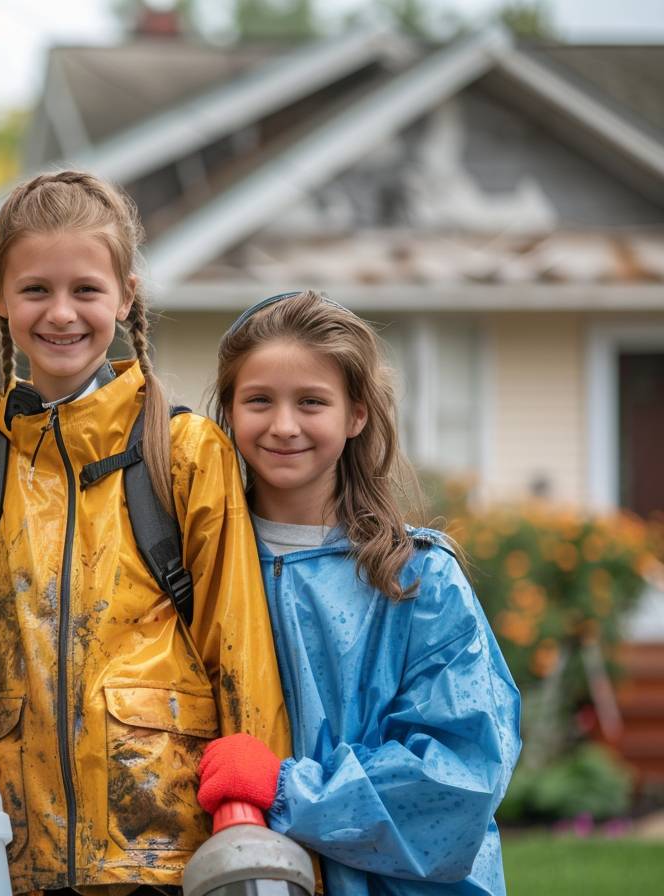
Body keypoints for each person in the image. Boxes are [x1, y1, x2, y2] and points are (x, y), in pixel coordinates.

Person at [0, 171, 290, 895]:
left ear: (125, 296)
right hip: (12, 853)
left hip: (166, 853)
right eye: (35, 290)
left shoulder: (183, 452)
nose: (62, 314)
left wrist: (247, 801)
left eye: (86, 290)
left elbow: (237, 641)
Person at [196, 290, 522, 895]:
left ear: (357, 415)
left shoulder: (418, 581)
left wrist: (288, 788)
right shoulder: (193, 568)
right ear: (230, 412)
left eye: (312, 402)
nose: (283, 425)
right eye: (259, 400)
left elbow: (459, 780)